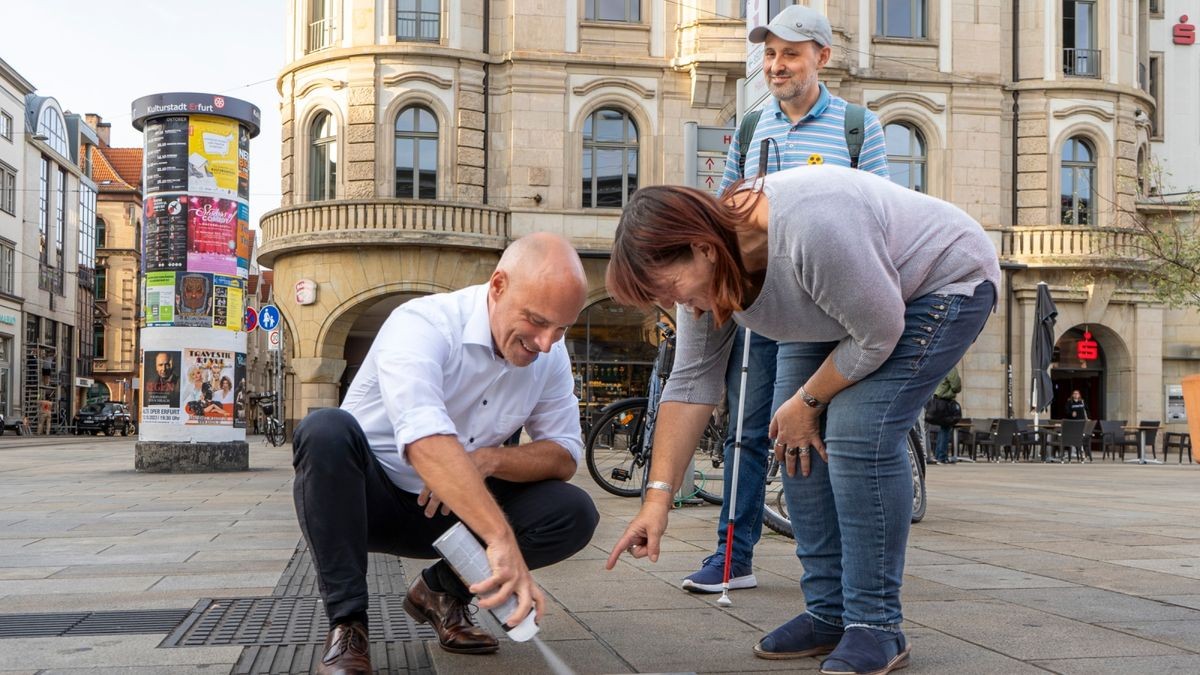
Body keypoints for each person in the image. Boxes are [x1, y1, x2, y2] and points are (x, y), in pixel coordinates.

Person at [604, 166, 999, 675]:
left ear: (701, 247)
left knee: (858, 430)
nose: (672, 303)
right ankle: (829, 614)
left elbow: (879, 334)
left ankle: (876, 624)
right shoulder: (706, 272)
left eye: (669, 287)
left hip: (940, 281)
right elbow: (690, 384)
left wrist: (808, 401)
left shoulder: (811, 228)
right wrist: (656, 501)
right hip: (838, 306)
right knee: (790, 438)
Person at [291, 233, 599, 674]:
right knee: (324, 429)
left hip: (455, 511)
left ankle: (440, 592)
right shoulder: (422, 322)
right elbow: (423, 437)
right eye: (535, 321)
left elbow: (565, 454)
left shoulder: (549, 354)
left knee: (573, 511)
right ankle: (348, 625)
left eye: (562, 328)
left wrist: (487, 461)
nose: (546, 343)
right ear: (498, 286)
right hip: (366, 501)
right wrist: (500, 538)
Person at [683, 3, 891, 595]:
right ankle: (732, 555)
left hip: (828, 308)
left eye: (790, 54)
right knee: (747, 430)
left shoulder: (858, 127)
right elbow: (727, 211)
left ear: (821, 57)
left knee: (811, 430)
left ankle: (835, 567)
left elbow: (878, 215)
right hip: (763, 303)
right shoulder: (752, 127)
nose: (776, 65)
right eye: (770, 54)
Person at [929, 367, 962, 464]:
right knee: (946, 428)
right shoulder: (951, 367)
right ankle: (942, 456)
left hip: (936, 400)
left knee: (942, 428)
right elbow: (956, 386)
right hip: (945, 401)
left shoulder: (940, 365)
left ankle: (939, 455)